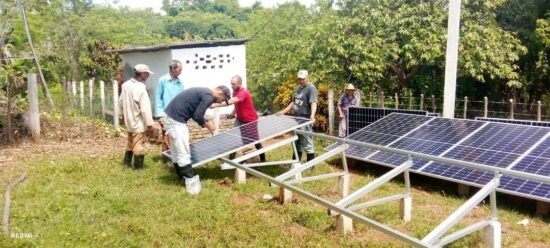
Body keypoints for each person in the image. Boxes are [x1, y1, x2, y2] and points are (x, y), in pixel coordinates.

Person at [164, 86, 231, 195]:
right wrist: (209, 126)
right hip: (177, 121)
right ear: (220, 93)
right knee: (184, 152)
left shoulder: (204, 91)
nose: (221, 102)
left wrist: (205, 122)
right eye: (223, 99)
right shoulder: (209, 96)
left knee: (176, 152)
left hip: (169, 117)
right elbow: (198, 115)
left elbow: (195, 113)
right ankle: (193, 187)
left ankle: (182, 180)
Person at [211, 75, 266, 162]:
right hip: (240, 119)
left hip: (250, 120)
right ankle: (232, 160)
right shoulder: (234, 92)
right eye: (231, 84)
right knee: (234, 138)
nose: (231, 86)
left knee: (255, 140)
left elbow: (232, 101)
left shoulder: (244, 92)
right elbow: (237, 105)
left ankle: (263, 159)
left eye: (233, 84)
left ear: (239, 84)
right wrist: (232, 114)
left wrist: (215, 105)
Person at [120, 64, 157, 169]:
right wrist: (150, 124)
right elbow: (145, 108)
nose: (148, 76)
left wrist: (121, 115)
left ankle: (126, 164)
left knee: (130, 142)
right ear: (142, 73)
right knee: (138, 144)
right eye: (147, 74)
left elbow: (120, 101)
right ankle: (138, 167)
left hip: (128, 119)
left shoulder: (125, 85)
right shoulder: (141, 87)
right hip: (138, 121)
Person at [277, 70, 318, 162]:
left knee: (307, 141)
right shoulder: (297, 88)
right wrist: (283, 112)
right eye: (299, 79)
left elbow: (313, 103)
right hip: (296, 119)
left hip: (305, 119)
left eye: (303, 79)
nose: (301, 81)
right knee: (296, 141)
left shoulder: (311, 88)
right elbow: (293, 102)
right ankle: (295, 162)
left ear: (307, 77)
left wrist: (312, 115)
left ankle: (310, 164)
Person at [155, 60, 184, 160]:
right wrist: (160, 115)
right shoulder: (163, 80)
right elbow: (158, 98)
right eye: (179, 69)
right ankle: (165, 158)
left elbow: (182, 98)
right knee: (166, 136)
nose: (181, 71)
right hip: (166, 114)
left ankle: (175, 157)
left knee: (177, 136)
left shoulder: (179, 82)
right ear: (173, 69)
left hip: (178, 114)